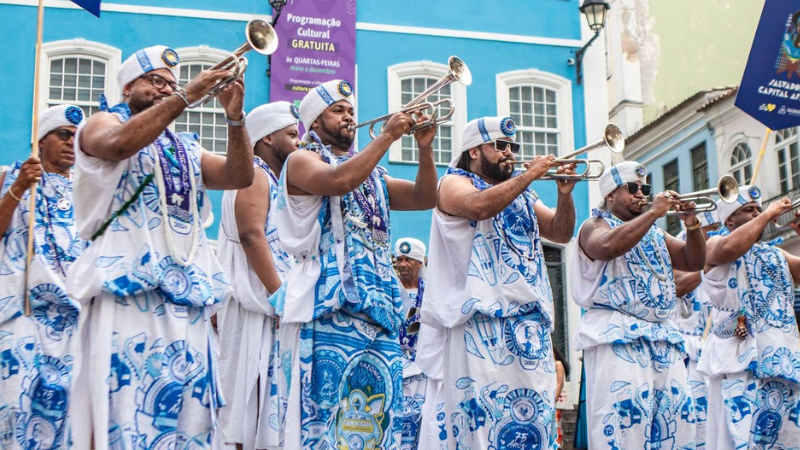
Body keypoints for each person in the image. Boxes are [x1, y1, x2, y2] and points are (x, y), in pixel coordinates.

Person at [66, 45, 253, 448]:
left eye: (172, 83)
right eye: (156, 81)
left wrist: (235, 118)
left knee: (190, 419)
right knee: (126, 410)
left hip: (189, 296)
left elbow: (239, 175)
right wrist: (187, 94)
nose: (166, 89)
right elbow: (116, 145)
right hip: (128, 292)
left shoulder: (185, 145)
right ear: (128, 85)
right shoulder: (101, 122)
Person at [273, 79, 438, 449]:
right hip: (328, 308)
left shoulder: (374, 176)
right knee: (323, 419)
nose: (349, 117)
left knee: (375, 424)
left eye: (351, 111)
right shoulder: (302, 160)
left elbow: (424, 197)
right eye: (338, 110)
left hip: (379, 315)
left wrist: (424, 150)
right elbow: (339, 180)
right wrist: (388, 138)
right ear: (314, 122)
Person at [417, 116, 578, 449]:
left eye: (513, 147)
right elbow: (478, 206)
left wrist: (565, 195)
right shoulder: (453, 182)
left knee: (535, 422)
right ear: (474, 151)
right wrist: (531, 173)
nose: (510, 153)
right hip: (480, 322)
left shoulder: (522, 191)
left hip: (530, 325)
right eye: (500, 145)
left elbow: (560, 233)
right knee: (482, 423)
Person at [571, 161, 706, 449]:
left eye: (644, 189)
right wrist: (656, 212)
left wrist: (692, 225)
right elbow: (607, 247)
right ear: (610, 195)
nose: (641, 194)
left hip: (663, 339)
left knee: (677, 422)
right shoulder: (593, 225)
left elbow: (695, 261)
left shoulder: (655, 233)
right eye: (633, 189)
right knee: (623, 424)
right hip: (617, 336)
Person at [0, 104, 85, 449]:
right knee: (14, 405)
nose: (71, 143)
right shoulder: (9, 175)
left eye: (79, 139)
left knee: (65, 413)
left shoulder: (88, 187)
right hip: (23, 310)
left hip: (73, 317)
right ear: (41, 140)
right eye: (63, 134)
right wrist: (19, 186)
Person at [217, 101, 300, 449]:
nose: (298, 143)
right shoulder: (254, 174)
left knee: (268, 406)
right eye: (292, 134)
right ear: (267, 138)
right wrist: (279, 295)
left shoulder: (273, 178)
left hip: (270, 308)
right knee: (248, 405)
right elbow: (252, 235)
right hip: (256, 307)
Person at [698, 186, 800, 449]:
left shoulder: (776, 253)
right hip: (740, 364)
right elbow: (731, 247)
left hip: (783, 363)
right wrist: (767, 215)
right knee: (740, 438)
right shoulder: (714, 243)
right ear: (729, 219)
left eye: (758, 208)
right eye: (748, 210)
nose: (757, 213)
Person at [672, 210, 720, 450]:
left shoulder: (725, 254)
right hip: (690, 354)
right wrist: (708, 268)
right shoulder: (681, 249)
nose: (715, 236)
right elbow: (677, 286)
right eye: (709, 231)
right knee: (694, 422)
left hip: (720, 350)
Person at [394, 237, 428, 449]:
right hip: (395, 368)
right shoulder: (388, 290)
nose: (402, 264)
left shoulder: (433, 292)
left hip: (424, 370)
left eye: (408, 259)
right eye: (399, 259)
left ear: (419, 263)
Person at [553, 346, 571, 448]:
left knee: (556, 424)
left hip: (555, 399)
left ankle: (558, 445)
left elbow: (560, 383)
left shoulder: (558, 364)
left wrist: (555, 398)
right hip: (552, 399)